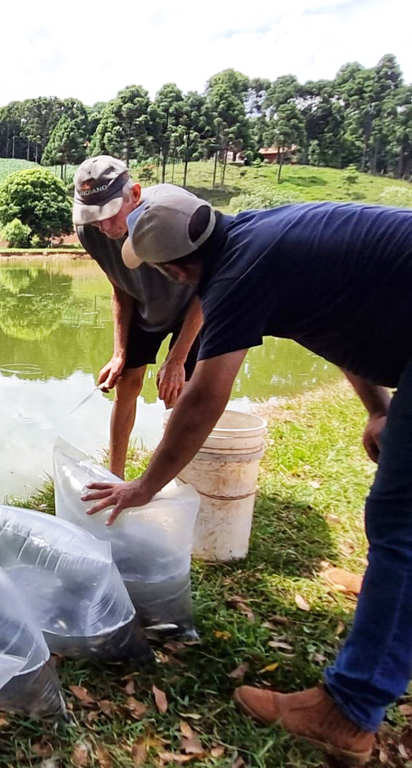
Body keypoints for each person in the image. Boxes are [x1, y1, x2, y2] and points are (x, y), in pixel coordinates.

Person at [81, 189, 412, 766]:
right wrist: (379, 407)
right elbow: (336, 323)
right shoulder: (256, 234)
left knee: (399, 521)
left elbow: (205, 397)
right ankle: (392, 595)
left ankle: (350, 712)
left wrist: (145, 487)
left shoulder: (233, 277)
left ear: (176, 269)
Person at [72, 156, 204, 478]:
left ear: (135, 194)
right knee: (126, 385)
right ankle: (114, 478)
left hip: (193, 306)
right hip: (145, 306)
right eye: (92, 216)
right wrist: (119, 353)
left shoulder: (176, 216)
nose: (103, 227)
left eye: (109, 213)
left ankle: (173, 478)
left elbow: (209, 286)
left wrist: (177, 358)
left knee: (178, 392)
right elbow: (121, 286)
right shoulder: (90, 232)